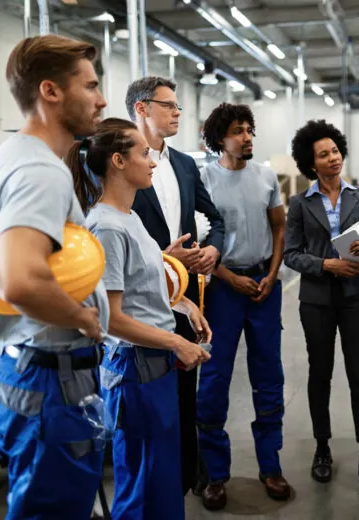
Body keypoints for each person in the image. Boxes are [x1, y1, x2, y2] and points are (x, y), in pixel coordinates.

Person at [0, 35, 108, 519]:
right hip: (50, 382)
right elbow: (19, 281)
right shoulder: (39, 172)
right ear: (50, 91)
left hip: (27, 370)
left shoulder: (12, 158)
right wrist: (84, 318)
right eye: (90, 87)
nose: (102, 99)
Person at [66, 118, 212, 519]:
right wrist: (176, 341)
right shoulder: (107, 227)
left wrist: (184, 304)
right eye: (143, 152)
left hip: (155, 367)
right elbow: (111, 319)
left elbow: (143, 285)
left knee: (161, 479)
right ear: (117, 160)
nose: (152, 161)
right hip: (134, 369)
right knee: (142, 484)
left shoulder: (130, 219)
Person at [283, 119, 359, 495]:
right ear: (310, 163)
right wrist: (325, 265)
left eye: (335, 150)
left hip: (355, 297)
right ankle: (322, 449)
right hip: (316, 300)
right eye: (323, 154)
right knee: (320, 374)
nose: (333, 158)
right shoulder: (300, 204)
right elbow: (291, 254)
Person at [125, 76, 225, 495]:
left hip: (183, 301)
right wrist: (163, 259)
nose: (178, 113)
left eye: (178, 107)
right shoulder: (121, 162)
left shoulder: (186, 164)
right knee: (146, 405)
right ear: (142, 109)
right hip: (136, 309)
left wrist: (212, 252)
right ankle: (154, 485)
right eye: (169, 106)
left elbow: (214, 219)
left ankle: (187, 478)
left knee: (186, 393)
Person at [196, 103, 290, 509]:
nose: (248, 136)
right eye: (239, 130)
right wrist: (228, 277)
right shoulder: (203, 179)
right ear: (220, 138)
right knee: (215, 378)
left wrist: (273, 273)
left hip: (264, 286)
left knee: (269, 373)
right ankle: (216, 473)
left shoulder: (266, 175)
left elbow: (279, 226)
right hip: (223, 287)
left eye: (250, 129)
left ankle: (270, 466)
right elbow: (199, 239)